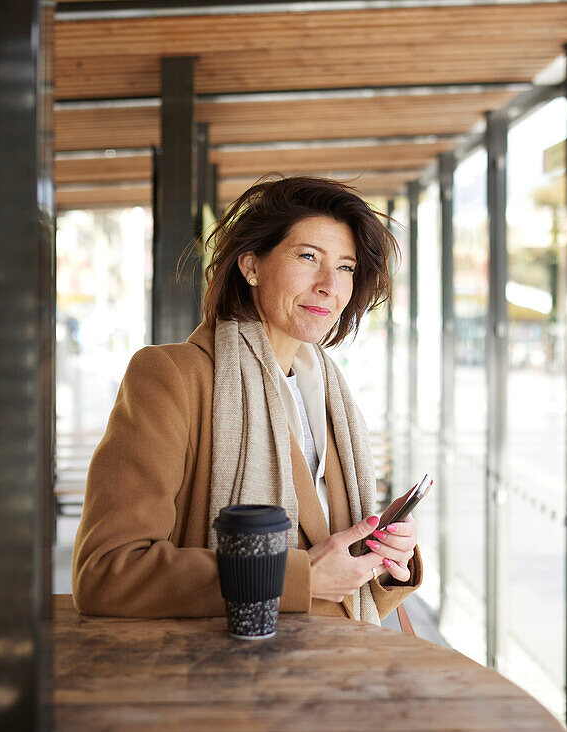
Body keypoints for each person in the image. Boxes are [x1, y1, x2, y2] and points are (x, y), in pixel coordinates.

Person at [73, 176, 421, 623]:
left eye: (346, 267)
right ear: (251, 266)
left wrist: (385, 557)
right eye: (308, 256)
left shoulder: (330, 392)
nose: (328, 284)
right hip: (234, 674)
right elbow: (107, 573)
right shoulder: (172, 378)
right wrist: (294, 577)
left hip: (342, 670)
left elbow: (337, 573)